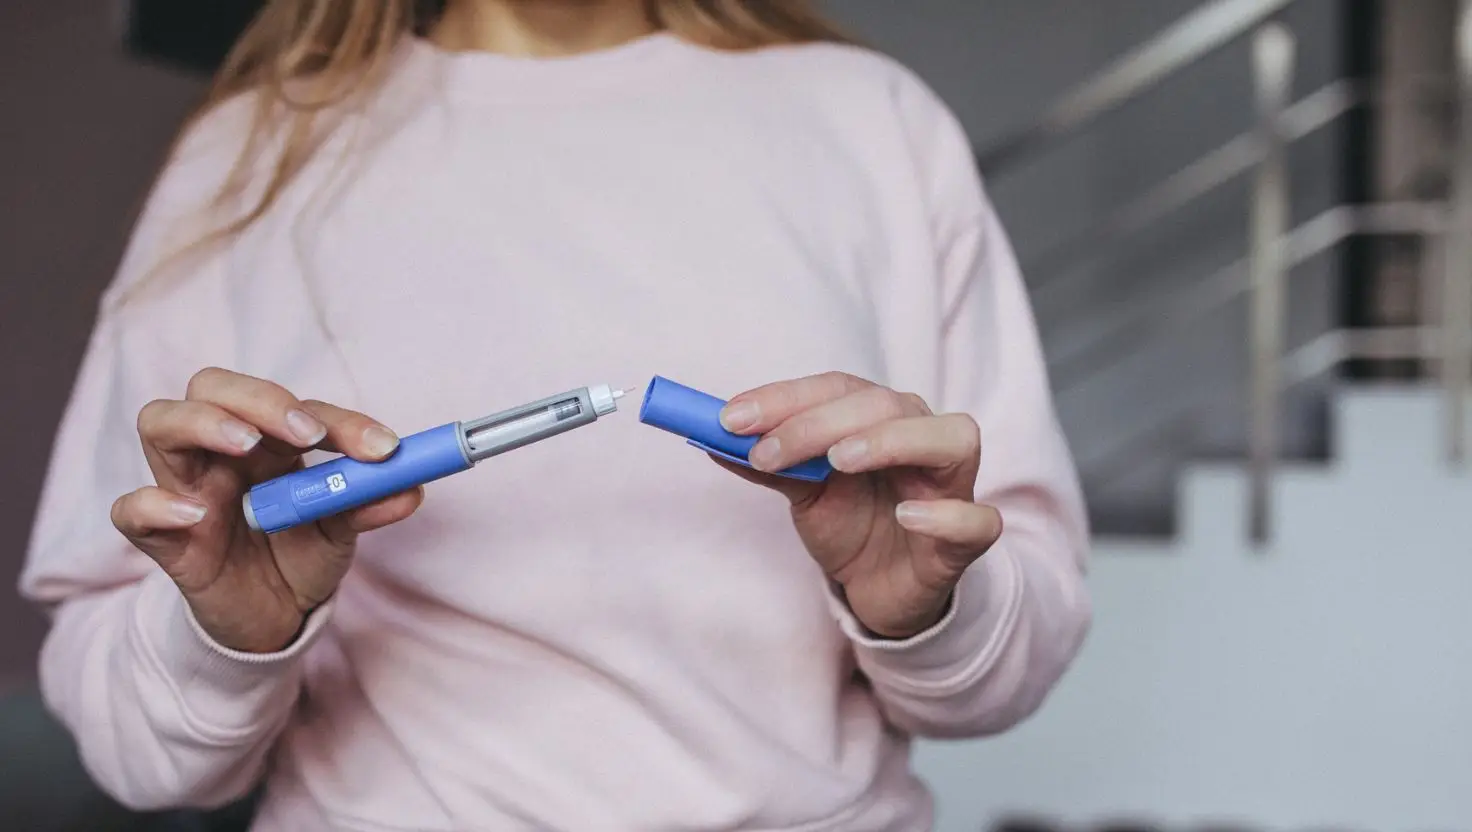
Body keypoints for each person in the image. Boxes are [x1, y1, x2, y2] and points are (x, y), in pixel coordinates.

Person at [19, 1, 1092, 829]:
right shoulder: (248, 155)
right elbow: (138, 755)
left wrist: (916, 608)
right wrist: (223, 637)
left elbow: (1007, 664)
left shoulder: (870, 122)